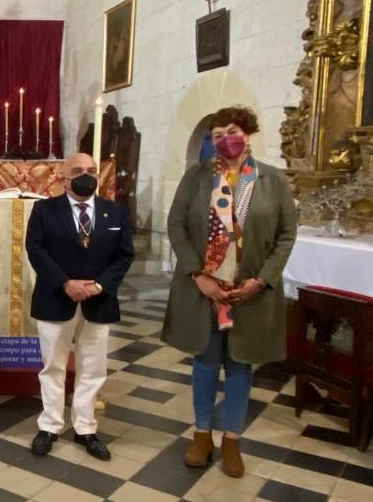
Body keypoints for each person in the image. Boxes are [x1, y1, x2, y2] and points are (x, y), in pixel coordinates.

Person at [163, 106, 297, 478]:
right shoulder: (197, 177)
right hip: (204, 289)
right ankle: (202, 434)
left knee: (240, 365)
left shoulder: (272, 180)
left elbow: (287, 234)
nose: (225, 140)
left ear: (248, 133)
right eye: (217, 134)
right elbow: (176, 226)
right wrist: (197, 274)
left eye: (232, 131)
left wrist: (262, 279)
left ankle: (233, 440)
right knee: (205, 363)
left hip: (250, 291)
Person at [25, 152, 134, 461]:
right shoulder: (45, 210)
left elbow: (125, 255)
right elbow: (36, 249)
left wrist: (99, 285)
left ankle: (85, 427)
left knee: (93, 367)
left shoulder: (115, 213)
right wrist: (66, 283)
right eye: (78, 171)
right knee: (53, 367)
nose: (86, 175)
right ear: (64, 177)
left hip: (99, 300)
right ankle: (50, 425)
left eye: (91, 170)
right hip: (56, 297)